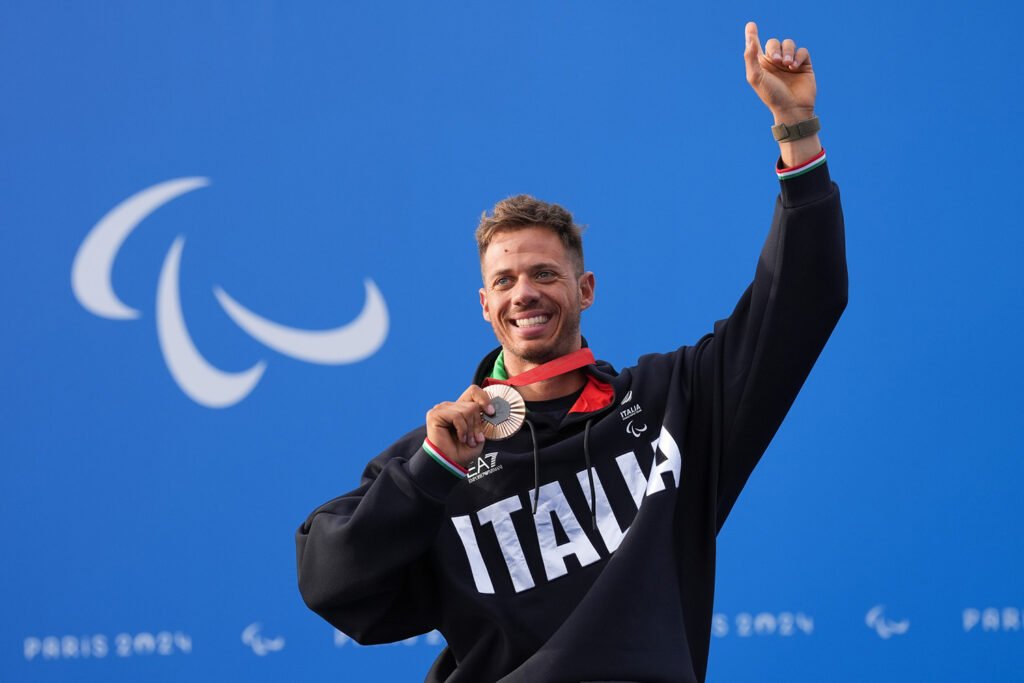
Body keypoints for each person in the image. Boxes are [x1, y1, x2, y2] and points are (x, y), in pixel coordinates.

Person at [296, 22, 847, 683]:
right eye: (505, 280)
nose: (524, 293)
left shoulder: (674, 404)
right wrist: (430, 470)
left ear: (585, 289)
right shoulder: (442, 453)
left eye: (545, 275)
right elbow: (331, 578)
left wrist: (797, 132)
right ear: (484, 306)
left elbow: (799, 304)